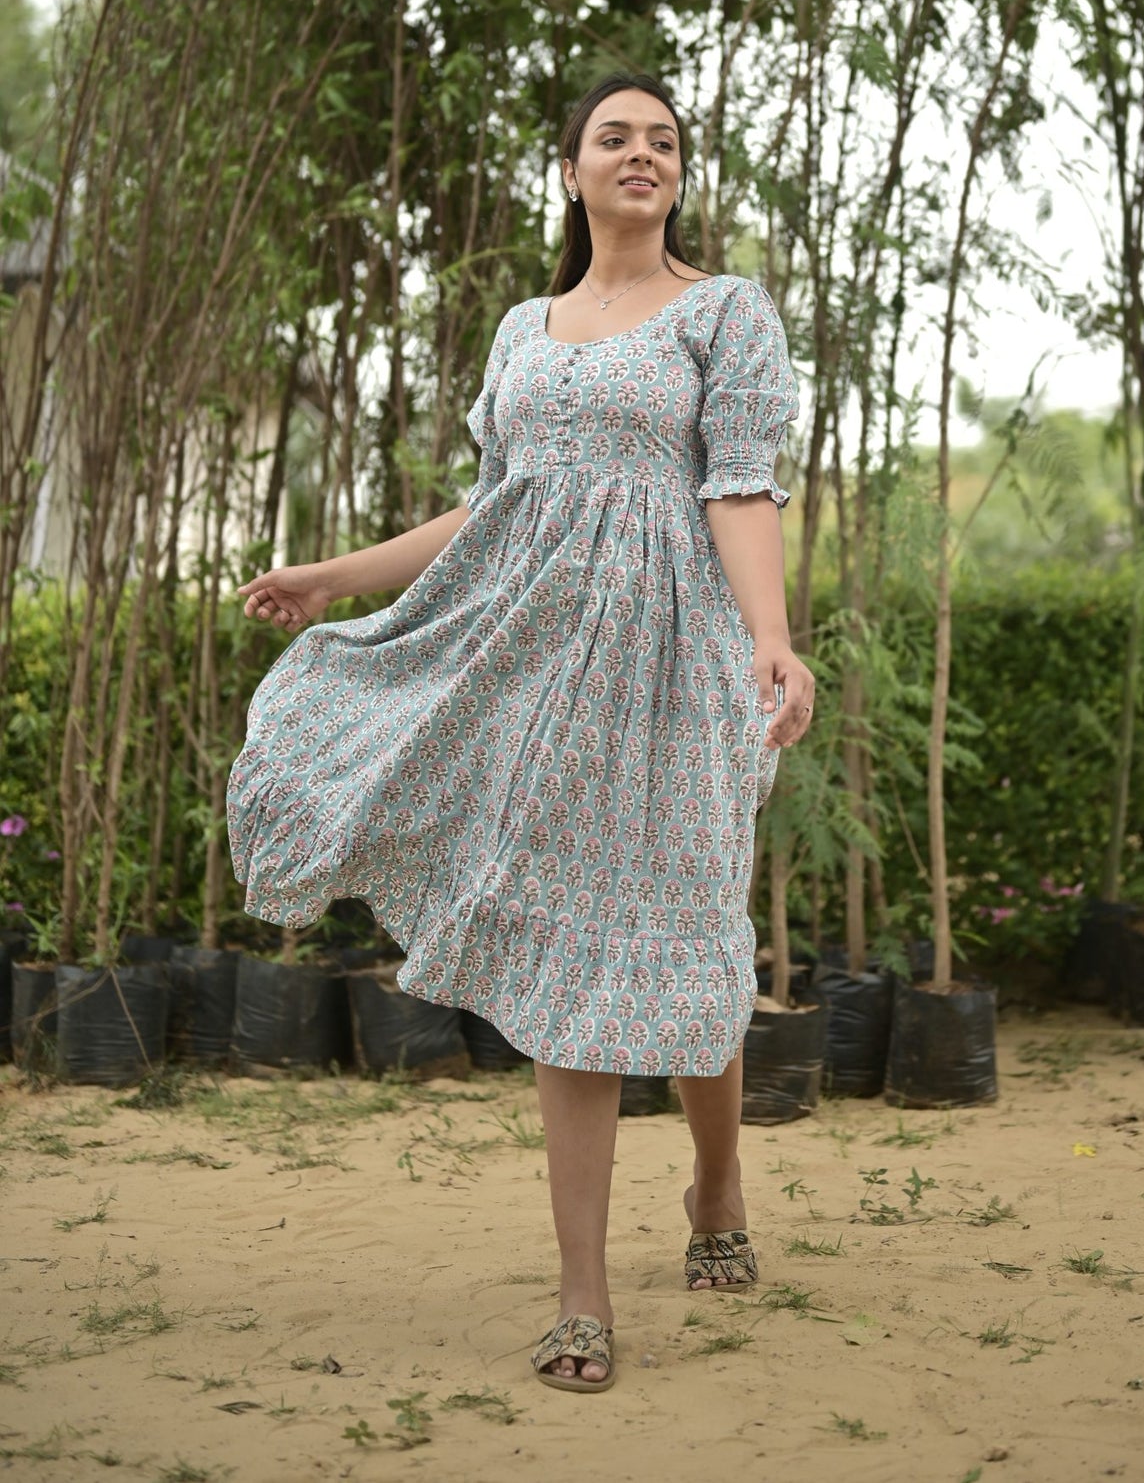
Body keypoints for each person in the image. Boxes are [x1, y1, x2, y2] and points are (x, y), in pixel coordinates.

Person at [226, 70, 815, 1393]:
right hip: (543, 681)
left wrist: (770, 639)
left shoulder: (721, 314)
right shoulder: (522, 331)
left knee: (687, 941)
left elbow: (739, 487)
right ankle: (582, 1297)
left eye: (663, 141)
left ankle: (716, 1181)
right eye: (615, 136)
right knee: (571, 966)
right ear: (570, 170)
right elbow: (488, 512)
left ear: (676, 174)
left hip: (680, 675)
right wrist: (336, 577)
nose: (641, 154)